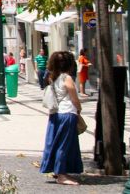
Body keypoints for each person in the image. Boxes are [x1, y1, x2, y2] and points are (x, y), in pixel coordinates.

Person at [40, 51, 83, 185]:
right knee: (64, 144)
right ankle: (62, 176)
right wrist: (79, 109)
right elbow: (74, 98)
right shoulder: (67, 78)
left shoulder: (52, 77)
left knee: (55, 143)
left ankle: (58, 170)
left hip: (55, 114)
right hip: (67, 113)